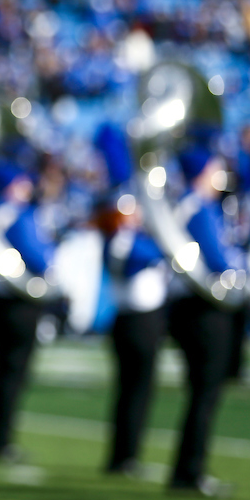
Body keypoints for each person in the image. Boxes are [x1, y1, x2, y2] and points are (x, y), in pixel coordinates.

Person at [165, 146, 241, 496]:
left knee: (202, 391)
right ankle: (190, 471)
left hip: (190, 305)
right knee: (205, 392)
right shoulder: (199, 208)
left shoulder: (190, 206)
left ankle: (188, 469)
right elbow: (217, 259)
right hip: (203, 306)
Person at [0, 160, 55, 463]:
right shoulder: (19, 215)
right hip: (18, 300)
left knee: (2, 373)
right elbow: (38, 258)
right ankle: (1, 442)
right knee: (14, 373)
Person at [98, 192, 168, 476]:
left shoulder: (124, 239)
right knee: (136, 390)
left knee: (134, 391)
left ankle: (125, 455)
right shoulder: (122, 240)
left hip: (133, 320)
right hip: (137, 320)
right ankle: (125, 457)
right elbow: (143, 257)